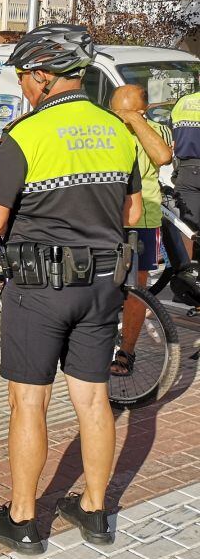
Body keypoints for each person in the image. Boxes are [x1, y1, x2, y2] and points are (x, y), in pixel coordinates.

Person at [0, 24, 142, 553]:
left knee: (28, 402)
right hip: (103, 283)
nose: (22, 87)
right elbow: (132, 210)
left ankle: (23, 520)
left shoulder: (24, 135)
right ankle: (94, 511)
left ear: (42, 77)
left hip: (40, 286)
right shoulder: (115, 129)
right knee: (93, 399)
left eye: (23, 78)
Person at [109, 84, 173, 376]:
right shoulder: (106, 128)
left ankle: (127, 351)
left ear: (143, 110)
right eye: (116, 111)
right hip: (106, 218)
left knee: (136, 288)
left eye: (127, 111)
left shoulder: (156, 129)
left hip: (142, 220)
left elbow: (162, 157)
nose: (120, 117)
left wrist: (135, 121)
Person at [169, 85, 200, 259]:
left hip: (186, 171)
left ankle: (187, 278)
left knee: (186, 228)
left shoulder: (182, 103)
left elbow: (173, 141)